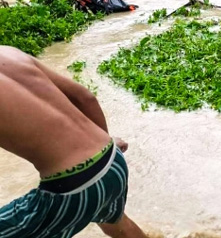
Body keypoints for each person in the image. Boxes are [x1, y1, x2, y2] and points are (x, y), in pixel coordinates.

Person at [0, 45, 148, 238]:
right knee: (115, 222)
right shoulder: (9, 53)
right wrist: (106, 140)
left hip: (72, 188)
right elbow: (85, 98)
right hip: (112, 160)